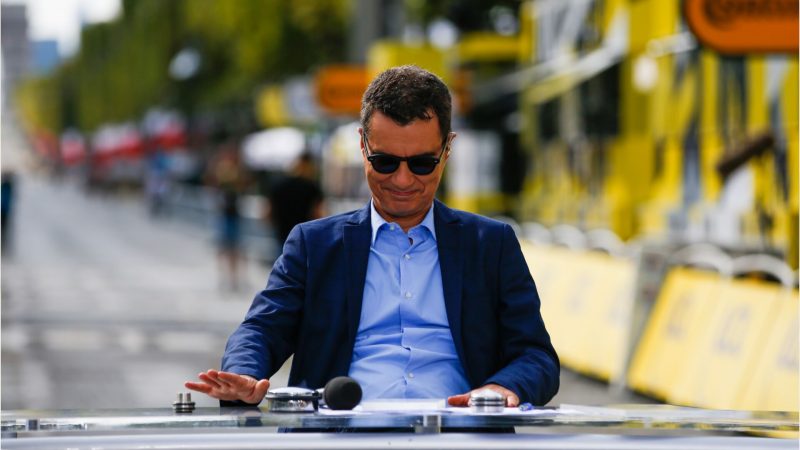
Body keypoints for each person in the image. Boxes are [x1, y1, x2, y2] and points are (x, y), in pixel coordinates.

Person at [186, 65, 559, 408]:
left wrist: (503, 387)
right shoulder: (313, 246)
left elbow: (536, 356)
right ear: (362, 145)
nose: (402, 180)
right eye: (385, 162)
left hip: (462, 438)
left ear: (447, 149)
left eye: (422, 163)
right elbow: (262, 329)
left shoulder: (492, 244)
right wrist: (244, 373)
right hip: (340, 438)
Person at [266, 152, 324, 254]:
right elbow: (318, 215)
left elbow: (268, 214)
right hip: (304, 239)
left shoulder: (279, 186)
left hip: (282, 236)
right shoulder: (312, 188)